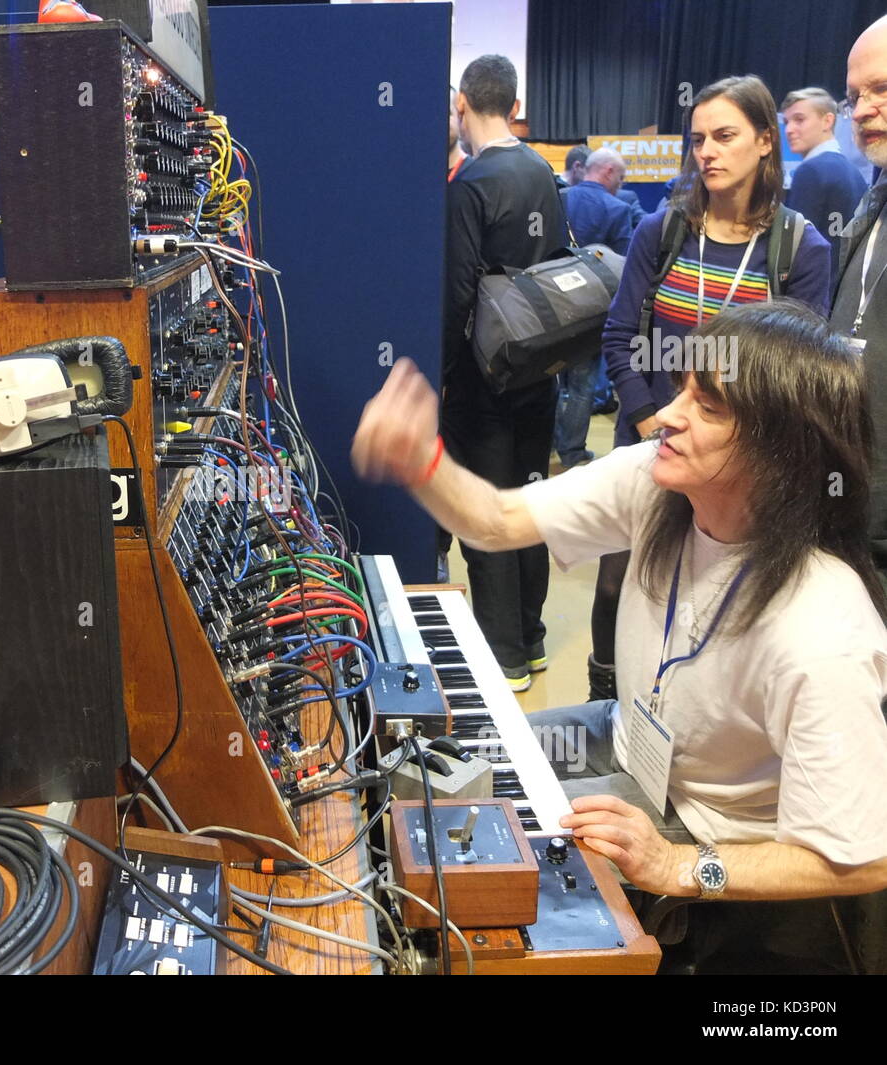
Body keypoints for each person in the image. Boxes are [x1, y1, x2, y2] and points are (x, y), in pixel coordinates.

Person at [351, 304, 887, 966]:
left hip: (707, 825)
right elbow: (494, 520)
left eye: (709, 406)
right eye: (683, 387)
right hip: (629, 733)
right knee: (447, 775)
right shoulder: (652, 481)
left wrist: (682, 866)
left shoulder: (823, 628)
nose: (668, 415)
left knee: (472, 833)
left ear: (784, 452)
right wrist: (420, 459)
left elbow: (860, 861)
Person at [591, 75, 831, 703]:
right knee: (622, 585)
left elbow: (798, 377)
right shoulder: (662, 231)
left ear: (764, 142)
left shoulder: (801, 248)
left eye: (724, 136)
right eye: (698, 139)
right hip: (652, 445)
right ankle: (606, 713)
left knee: (723, 600)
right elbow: (621, 338)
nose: (708, 152)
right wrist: (653, 424)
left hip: (742, 463)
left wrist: (724, 446)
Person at [441, 55, 566, 690]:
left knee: (485, 512)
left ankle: (503, 657)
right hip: (536, 372)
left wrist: (436, 373)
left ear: (463, 102)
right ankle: (533, 639)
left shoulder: (470, 184)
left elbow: (458, 292)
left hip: (482, 380)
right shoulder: (541, 169)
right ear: (514, 103)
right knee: (528, 506)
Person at [831, 15, 887, 591]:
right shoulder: (871, 204)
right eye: (855, 96)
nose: (864, 109)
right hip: (850, 520)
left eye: (882, 89)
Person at [555, 148, 633, 468]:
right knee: (582, 383)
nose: (621, 184)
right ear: (609, 172)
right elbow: (625, 267)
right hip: (591, 310)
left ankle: (548, 441)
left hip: (549, 305)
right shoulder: (617, 209)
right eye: (622, 177)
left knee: (549, 379)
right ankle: (572, 452)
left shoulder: (559, 198)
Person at [781, 87, 868, 248]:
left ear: (827, 121)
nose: (789, 130)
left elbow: (792, 246)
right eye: (786, 122)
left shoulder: (811, 171)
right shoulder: (854, 172)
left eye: (799, 120)